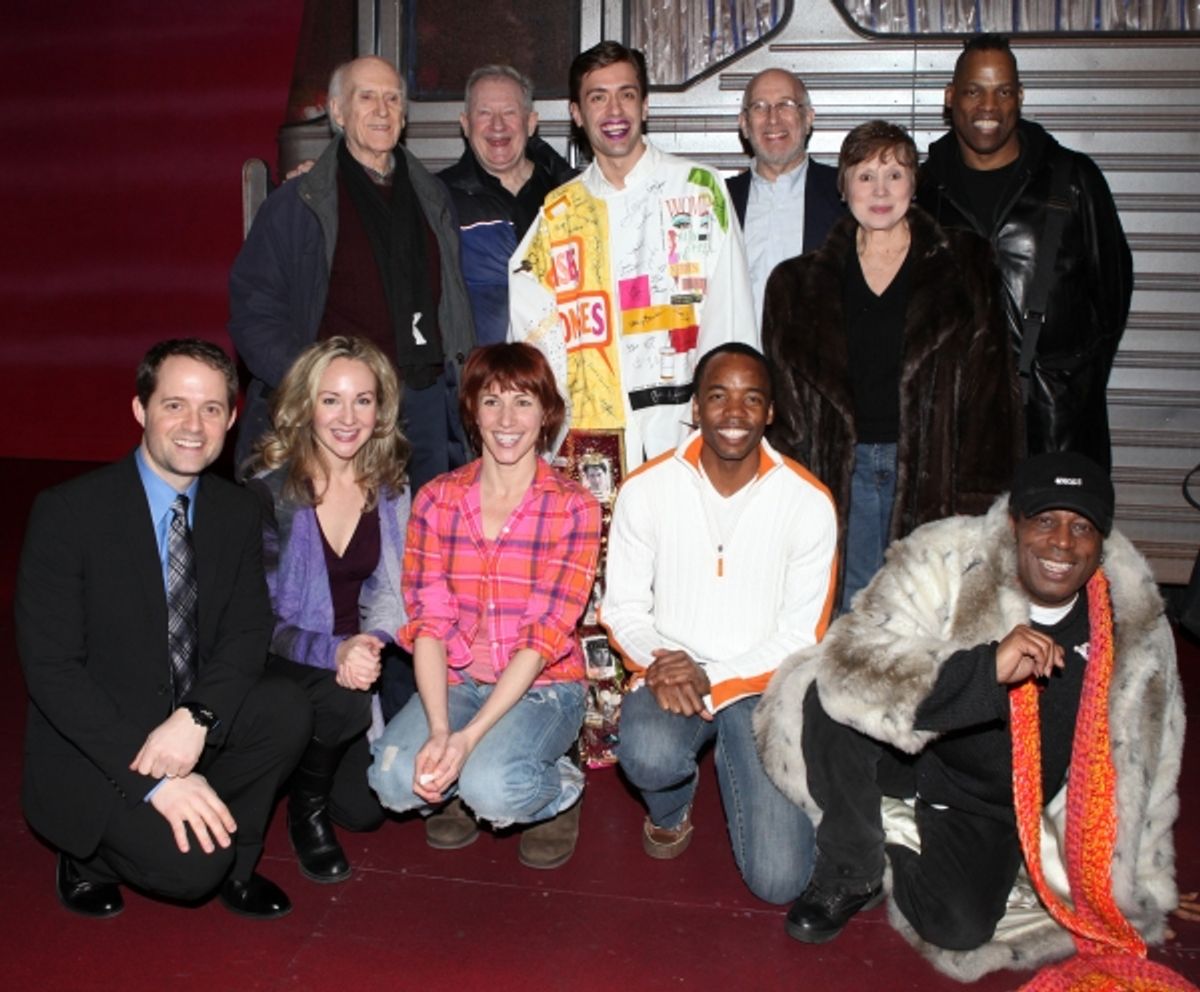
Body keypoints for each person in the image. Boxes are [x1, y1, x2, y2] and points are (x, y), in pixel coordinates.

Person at [755, 452, 1183, 981]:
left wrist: (1142, 881)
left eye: (1082, 528)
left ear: (1102, 542)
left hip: (991, 800)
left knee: (957, 927)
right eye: (1045, 521)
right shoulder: (948, 556)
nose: (1061, 543)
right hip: (913, 751)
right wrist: (985, 669)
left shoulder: (1133, 624)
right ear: (1014, 524)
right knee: (826, 698)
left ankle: (898, 843)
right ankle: (852, 865)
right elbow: (853, 659)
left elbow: (1151, 760)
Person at [15, 339, 309, 919]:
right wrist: (157, 783)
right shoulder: (69, 513)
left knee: (287, 708)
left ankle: (236, 859)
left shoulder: (236, 510)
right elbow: (51, 670)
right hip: (102, 740)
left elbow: (248, 631)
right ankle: (87, 861)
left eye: (211, 409)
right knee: (189, 872)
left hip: (183, 720)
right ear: (140, 409)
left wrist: (197, 716)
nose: (194, 426)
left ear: (231, 419)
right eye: (175, 405)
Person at [602, 343, 837, 903]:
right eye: (718, 396)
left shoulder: (808, 501)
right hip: (669, 669)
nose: (734, 413)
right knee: (649, 753)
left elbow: (802, 635)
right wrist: (663, 662)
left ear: (770, 412)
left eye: (751, 399)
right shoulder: (646, 487)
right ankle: (671, 808)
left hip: (762, 684)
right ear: (695, 406)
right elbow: (624, 608)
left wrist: (714, 678)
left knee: (780, 882)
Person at [762, 120, 1021, 611]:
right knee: (852, 612)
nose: (880, 191)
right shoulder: (795, 286)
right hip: (843, 478)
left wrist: (982, 498)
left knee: (931, 611)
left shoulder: (965, 265)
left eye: (894, 175)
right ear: (843, 187)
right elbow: (787, 416)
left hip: (935, 475)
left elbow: (991, 393)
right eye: (865, 176)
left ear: (914, 184)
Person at [368, 343, 602, 869]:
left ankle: (559, 788)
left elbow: (544, 636)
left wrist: (466, 739)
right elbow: (428, 623)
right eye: (492, 401)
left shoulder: (573, 506)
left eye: (523, 402)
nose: (506, 420)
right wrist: (440, 732)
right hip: (457, 682)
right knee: (392, 779)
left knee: (494, 788)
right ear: (472, 410)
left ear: (547, 414)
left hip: (541, 685)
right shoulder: (436, 499)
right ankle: (463, 780)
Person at [229, 55, 475, 494]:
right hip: (336, 410)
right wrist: (310, 385)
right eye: (367, 97)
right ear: (338, 112)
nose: (382, 110)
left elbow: (455, 305)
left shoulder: (434, 198)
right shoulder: (297, 205)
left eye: (393, 99)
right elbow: (254, 312)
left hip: (422, 402)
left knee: (421, 528)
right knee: (339, 532)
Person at [510, 41, 756, 474]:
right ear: (576, 114)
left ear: (644, 106)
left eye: (626, 94)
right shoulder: (558, 213)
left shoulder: (698, 189)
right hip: (591, 440)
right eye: (597, 97)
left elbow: (731, 318)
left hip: (682, 429)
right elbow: (530, 337)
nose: (614, 111)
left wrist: (725, 416)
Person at [917, 34, 1132, 472]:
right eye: (974, 91)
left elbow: (1111, 299)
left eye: (1003, 91)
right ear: (950, 97)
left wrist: (1068, 382)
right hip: (956, 434)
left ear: (1020, 97)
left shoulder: (1074, 179)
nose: (989, 107)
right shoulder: (923, 191)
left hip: (1059, 429)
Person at [245, 336, 411, 884]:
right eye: (331, 399)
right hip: (280, 659)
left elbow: (394, 590)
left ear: (381, 410)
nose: (348, 417)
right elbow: (258, 623)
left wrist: (370, 642)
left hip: (351, 662)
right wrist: (335, 651)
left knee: (365, 812)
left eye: (363, 400)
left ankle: (304, 766)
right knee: (342, 700)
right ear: (305, 405)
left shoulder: (389, 489)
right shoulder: (268, 494)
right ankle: (306, 812)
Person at [439, 64, 576, 347]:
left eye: (509, 112)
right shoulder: (438, 198)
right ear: (465, 124)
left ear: (531, 122)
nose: (497, 125)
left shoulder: (570, 196)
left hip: (560, 366)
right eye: (484, 113)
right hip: (479, 368)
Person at [726, 69, 844, 325]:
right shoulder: (718, 201)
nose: (773, 118)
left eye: (786, 105)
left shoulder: (846, 196)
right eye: (759, 107)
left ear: (808, 118)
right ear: (744, 124)